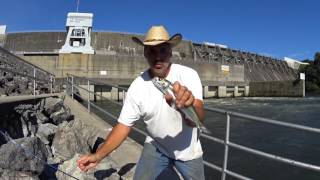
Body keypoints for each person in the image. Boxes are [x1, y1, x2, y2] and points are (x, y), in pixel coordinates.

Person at [77, 25, 205, 180]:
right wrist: (98, 156)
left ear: (171, 52)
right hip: (156, 146)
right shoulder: (137, 86)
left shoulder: (189, 75)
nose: (157, 56)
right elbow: (123, 126)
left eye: (163, 49)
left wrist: (186, 107)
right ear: (145, 53)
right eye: (151, 50)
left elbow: (199, 118)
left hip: (188, 152)